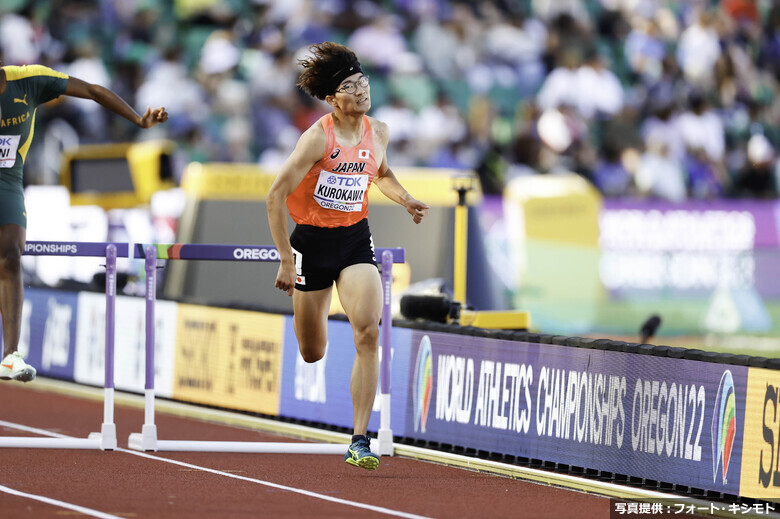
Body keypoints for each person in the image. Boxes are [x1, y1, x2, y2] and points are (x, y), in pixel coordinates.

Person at [266, 42, 429, 471]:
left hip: (355, 240)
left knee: (369, 334)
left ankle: (360, 439)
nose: (361, 90)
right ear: (332, 98)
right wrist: (286, 257)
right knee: (312, 351)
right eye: (349, 86)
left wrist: (406, 198)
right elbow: (275, 195)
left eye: (363, 81)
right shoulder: (318, 138)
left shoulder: (380, 131)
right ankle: (318, 322)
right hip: (311, 245)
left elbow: (382, 173)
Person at [0, 64, 168, 382]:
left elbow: (92, 90)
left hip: (7, 182)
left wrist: (137, 119)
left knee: (10, 253)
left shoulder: (27, 81)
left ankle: (10, 355)